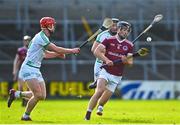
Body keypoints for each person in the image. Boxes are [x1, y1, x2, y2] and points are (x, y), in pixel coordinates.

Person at [7, 17, 80, 121]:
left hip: (36, 69)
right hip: (29, 68)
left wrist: (58, 54)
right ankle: (25, 116)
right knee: (37, 95)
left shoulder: (43, 38)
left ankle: (16, 94)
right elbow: (55, 48)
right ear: (48, 26)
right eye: (52, 25)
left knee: (42, 96)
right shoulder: (41, 37)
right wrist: (71, 50)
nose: (54, 27)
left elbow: (45, 54)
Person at [85, 21, 133, 120]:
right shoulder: (108, 40)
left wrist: (126, 61)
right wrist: (106, 60)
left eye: (128, 31)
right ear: (119, 29)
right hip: (105, 71)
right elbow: (97, 51)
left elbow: (130, 62)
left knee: (104, 100)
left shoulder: (129, 45)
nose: (126, 33)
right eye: (124, 30)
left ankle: (100, 106)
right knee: (99, 91)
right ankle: (87, 115)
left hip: (117, 75)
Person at [88, 18, 119, 89]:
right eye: (113, 25)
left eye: (116, 26)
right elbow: (93, 49)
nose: (115, 28)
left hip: (113, 65)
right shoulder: (102, 35)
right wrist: (106, 57)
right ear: (109, 26)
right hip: (100, 64)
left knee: (107, 90)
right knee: (99, 90)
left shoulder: (120, 37)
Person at [13, 35, 31, 106]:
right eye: (25, 40)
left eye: (28, 40)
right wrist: (15, 71)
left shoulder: (32, 49)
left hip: (30, 71)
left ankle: (26, 101)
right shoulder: (20, 50)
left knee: (28, 87)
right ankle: (23, 99)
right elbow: (16, 61)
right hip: (22, 70)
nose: (27, 41)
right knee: (20, 87)